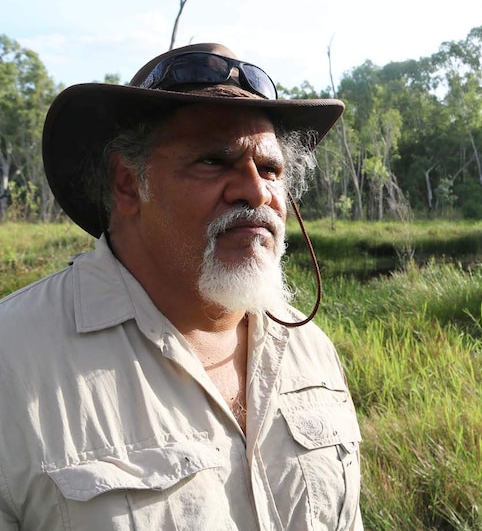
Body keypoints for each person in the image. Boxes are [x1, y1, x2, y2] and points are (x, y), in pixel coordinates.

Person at [0, 43, 363, 530]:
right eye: (214, 162)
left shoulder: (310, 351)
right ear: (128, 184)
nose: (256, 191)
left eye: (271, 169)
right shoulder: (14, 360)